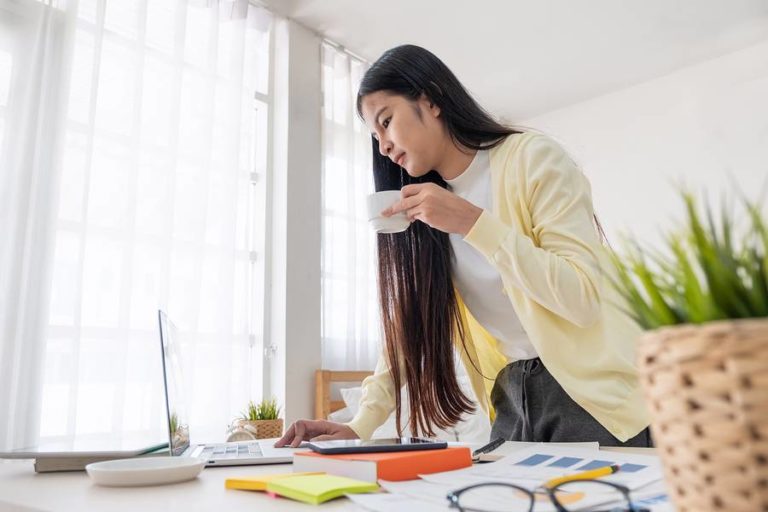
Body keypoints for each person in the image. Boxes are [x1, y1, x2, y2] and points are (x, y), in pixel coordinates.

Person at [276, 44, 651, 449]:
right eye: (374, 135)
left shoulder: (534, 159)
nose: (383, 145)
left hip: (594, 397)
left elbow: (582, 299)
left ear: (432, 100)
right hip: (513, 394)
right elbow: (408, 327)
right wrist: (360, 425)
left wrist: (473, 223)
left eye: (387, 121)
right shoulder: (424, 210)